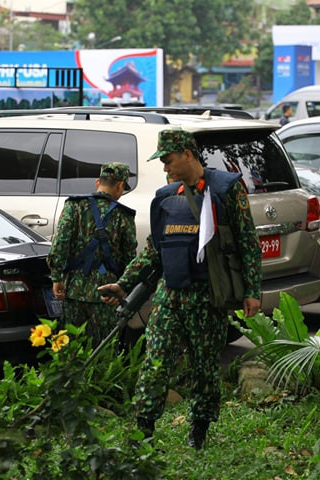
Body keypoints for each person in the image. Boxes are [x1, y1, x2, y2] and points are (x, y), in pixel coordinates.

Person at [99, 129, 262, 450]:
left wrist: (252, 289)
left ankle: (198, 434)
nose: (164, 167)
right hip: (169, 298)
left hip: (208, 298)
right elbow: (153, 249)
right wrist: (124, 283)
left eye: (168, 160)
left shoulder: (227, 190)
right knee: (155, 365)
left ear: (188, 154)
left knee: (204, 371)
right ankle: (141, 435)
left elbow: (247, 242)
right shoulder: (165, 198)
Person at [47, 162, 137, 346]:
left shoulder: (73, 206)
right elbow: (130, 258)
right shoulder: (123, 215)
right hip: (107, 292)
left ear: (98, 182)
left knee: (71, 349)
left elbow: (59, 245)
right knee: (103, 351)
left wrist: (57, 278)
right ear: (120, 185)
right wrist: (123, 286)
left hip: (73, 290)